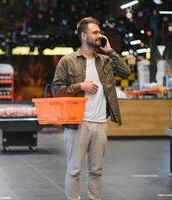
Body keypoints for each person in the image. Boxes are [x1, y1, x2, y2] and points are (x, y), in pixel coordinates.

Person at [53, 17, 131, 200]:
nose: (99, 35)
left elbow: (126, 72)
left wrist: (110, 50)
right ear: (83, 35)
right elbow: (57, 91)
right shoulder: (68, 60)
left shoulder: (105, 60)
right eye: (95, 32)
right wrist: (80, 86)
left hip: (100, 123)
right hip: (77, 123)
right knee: (74, 170)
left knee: (96, 171)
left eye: (99, 32)